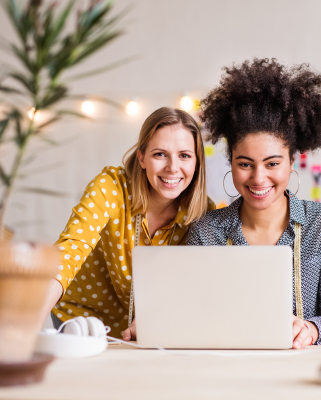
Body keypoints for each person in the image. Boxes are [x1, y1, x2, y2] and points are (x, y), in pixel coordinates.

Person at [187, 59, 321, 349]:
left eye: (272, 163)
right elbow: (191, 314)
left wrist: (312, 329)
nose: (258, 177)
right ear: (231, 162)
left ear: (292, 162)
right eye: (245, 164)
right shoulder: (206, 233)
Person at [39, 107, 215, 340]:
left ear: (197, 162)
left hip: (149, 329)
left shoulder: (205, 214)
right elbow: (71, 248)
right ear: (141, 158)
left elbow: (195, 287)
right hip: (81, 323)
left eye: (184, 155)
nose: (173, 167)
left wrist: (158, 316)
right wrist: (30, 320)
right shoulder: (110, 187)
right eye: (160, 154)